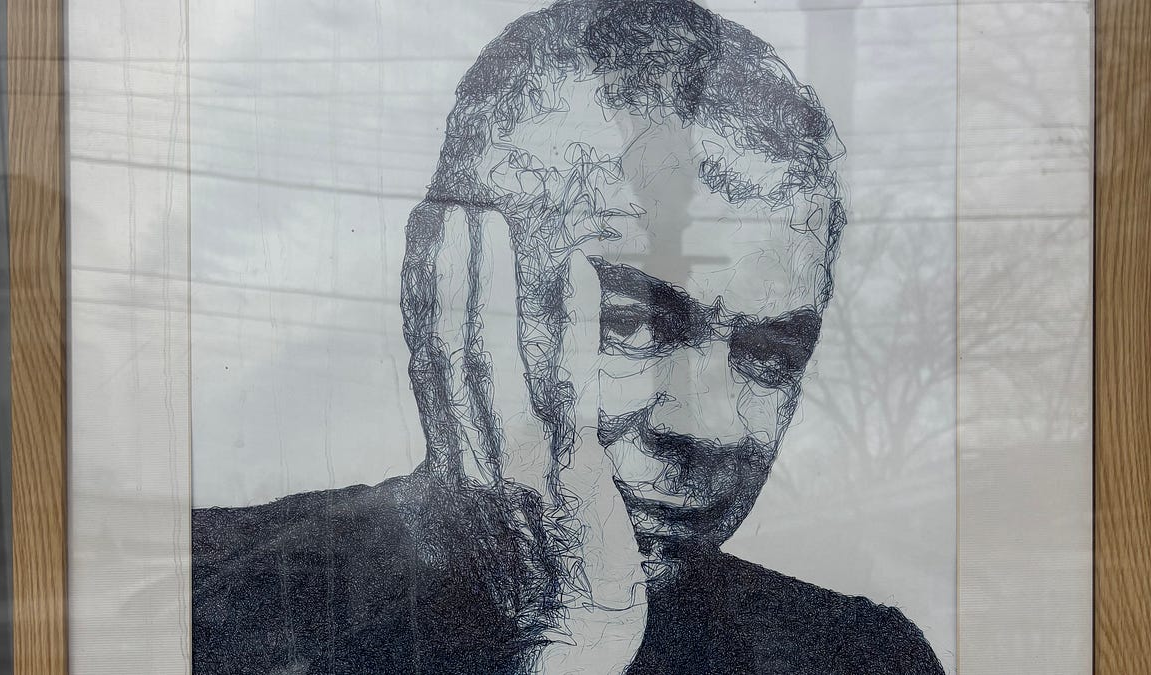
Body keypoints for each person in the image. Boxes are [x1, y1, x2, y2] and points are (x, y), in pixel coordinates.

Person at [192, 1, 945, 673]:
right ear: (440, 292)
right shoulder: (202, 602)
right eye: (630, 323)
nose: (709, 426)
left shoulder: (859, 659)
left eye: (769, 355)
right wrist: (573, 643)